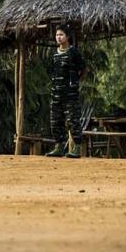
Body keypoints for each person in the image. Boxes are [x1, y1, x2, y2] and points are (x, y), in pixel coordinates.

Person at [46, 25, 85, 158]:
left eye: (61, 35)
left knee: (72, 121)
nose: (58, 37)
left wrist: (73, 83)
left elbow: (82, 69)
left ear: (67, 37)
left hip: (70, 95)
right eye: (57, 35)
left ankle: (77, 148)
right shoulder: (54, 54)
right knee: (55, 120)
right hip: (56, 94)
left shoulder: (73, 52)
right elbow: (50, 71)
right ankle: (58, 147)